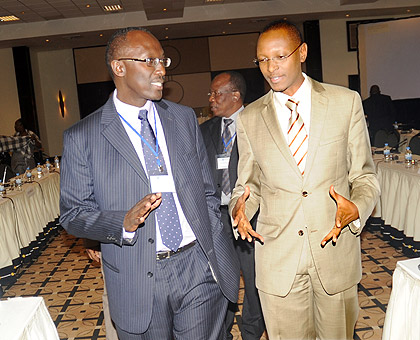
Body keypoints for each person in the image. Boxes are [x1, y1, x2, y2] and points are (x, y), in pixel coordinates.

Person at [59, 27, 239, 340]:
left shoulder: (182, 118)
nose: (162, 69)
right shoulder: (83, 137)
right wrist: (122, 223)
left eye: (163, 60)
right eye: (149, 61)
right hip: (138, 277)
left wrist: (209, 239)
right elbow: (73, 214)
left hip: (197, 264)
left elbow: (207, 190)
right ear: (119, 67)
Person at [229, 20, 380, 340]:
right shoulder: (249, 117)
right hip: (278, 259)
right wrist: (238, 207)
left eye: (280, 56)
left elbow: (365, 176)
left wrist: (356, 207)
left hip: (335, 252)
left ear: (302, 52)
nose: (271, 68)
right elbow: (249, 184)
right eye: (263, 60)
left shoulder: (345, 102)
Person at [200, 72, 265, 340]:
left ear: (235, 96)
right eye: (211, 94)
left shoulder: (258, 125)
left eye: (217, 93)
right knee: (221, 279)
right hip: (216, 217)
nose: (212, 99)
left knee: (252, 281)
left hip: (249, 215)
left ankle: (251, 331)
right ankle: (221, 331)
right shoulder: (204, 130)